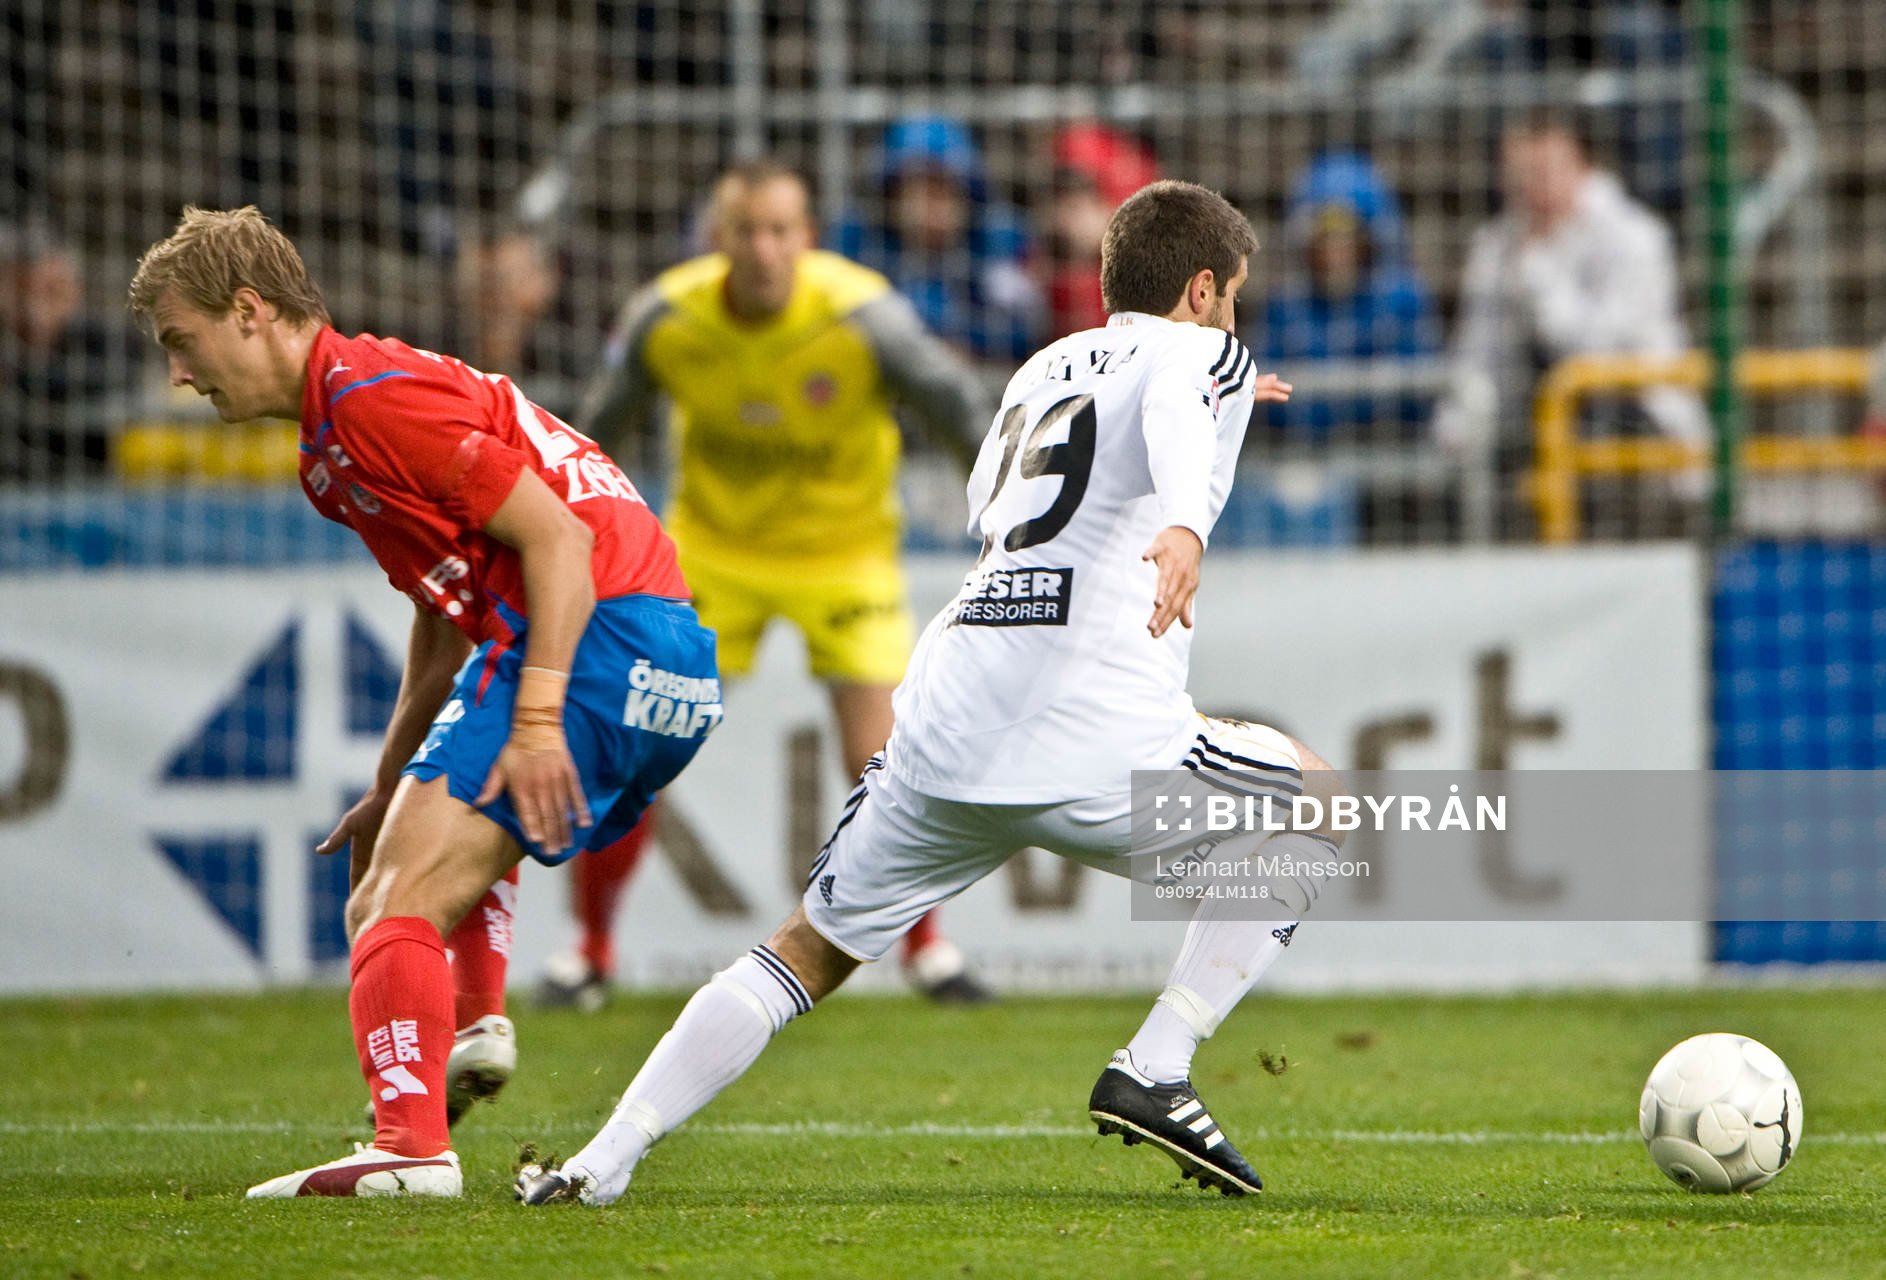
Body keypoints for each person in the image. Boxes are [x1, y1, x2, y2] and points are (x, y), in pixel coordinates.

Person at [516, 180, 1342, 1208]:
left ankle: (601, 1159)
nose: (1235, 324)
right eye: (1234, 300)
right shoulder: (1201, 353)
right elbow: (1176, 397)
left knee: (799, 953)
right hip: (1091, 726)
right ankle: (1156, 1061)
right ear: (1201, 287)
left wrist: (1205, 417)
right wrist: (1182, 518)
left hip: (948, 721)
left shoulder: (1039, 371)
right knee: (1320, 805)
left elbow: (1016, 495)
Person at [128, 205, 720, 1198]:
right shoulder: (335, 436)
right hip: (663, 664)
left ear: (248, 310)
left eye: (182, 343)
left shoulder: (372, 402)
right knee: (412, 841)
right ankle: (475, 1021)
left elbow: (560, 543)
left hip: (600, 634)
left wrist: (533, 720)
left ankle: (409, 1146)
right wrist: (392, 777)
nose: (179, 375)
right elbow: (446, 619)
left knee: (392, 898)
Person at [545, 159, 994, 1007]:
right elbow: (589, 438)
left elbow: (957, 409)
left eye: (781, 231)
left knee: (886, 760)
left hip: (846, 554)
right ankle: (590, 951)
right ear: (718, 242)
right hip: (711, 558)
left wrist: (1009, 521)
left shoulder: (864, 317)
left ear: (807, 238)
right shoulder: (666, 318)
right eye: (746, 232)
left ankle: (928, 952)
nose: (764, 250)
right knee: (640, 746)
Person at [1432, 108, 1708, 526]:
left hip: (1638, 425)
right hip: (1534, 427)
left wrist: (1538, 271)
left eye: (1542, 171)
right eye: (1517, 174)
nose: (1528, 187)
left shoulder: (1635, 239)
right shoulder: (1494, 246)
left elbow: (1597, 354)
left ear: (1582, 167)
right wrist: (1454, 430)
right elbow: (1480, 353)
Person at [1255, 149, 1442, 441]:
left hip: (1391, 457)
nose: (1336, 251)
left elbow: (1422, 395)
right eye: (1325, 237)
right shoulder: (1287, 308)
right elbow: (1266, 401)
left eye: (1348, 236)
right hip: (1307, 456)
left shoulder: (1402, 302)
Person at [834, 115, 1041, 363]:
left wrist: (967, 345)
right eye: (916, 191)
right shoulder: (859, 242)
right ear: (892, 197)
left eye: (943, 189)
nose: (929, 207)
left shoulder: (998, 242)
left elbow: (1027, 329)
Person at [0, 220, 147, 483]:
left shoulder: (109, 340)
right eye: (24, 291)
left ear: (73, 290)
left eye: (52, 292)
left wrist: (18, 375)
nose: (35, 307)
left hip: (90, 485)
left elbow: (119, 378)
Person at [1041, 123, 1162, 340]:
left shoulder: (1148, 281)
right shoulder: (1045, 268)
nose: (1067, 215)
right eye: (1064, 198)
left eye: (1082, 199)